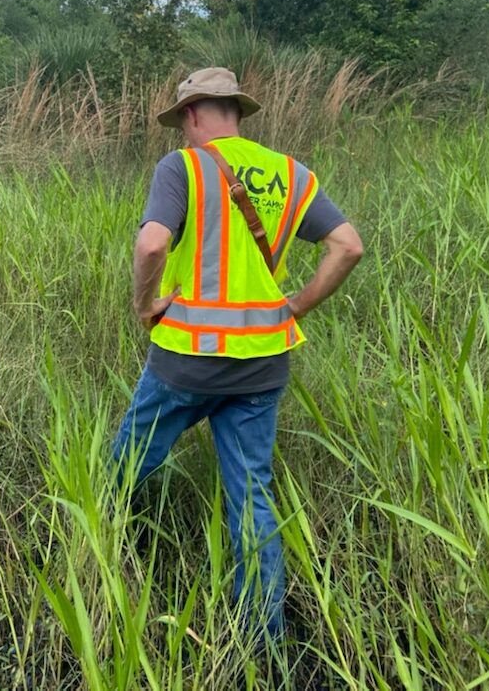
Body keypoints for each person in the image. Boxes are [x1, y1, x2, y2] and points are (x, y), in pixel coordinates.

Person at [111, 67, 363, 639]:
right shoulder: (290, 174)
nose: (182, 131)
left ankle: (98, 554)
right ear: (238, 114)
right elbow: (348, 246)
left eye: (182, 122)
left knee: (121, 470)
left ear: (194, 115)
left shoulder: (183, 166)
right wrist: (295, 305)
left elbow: (153, 241)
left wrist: (143, 303)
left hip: (185, 359)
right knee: (252, 496)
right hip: (262, 365)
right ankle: (262, 640)